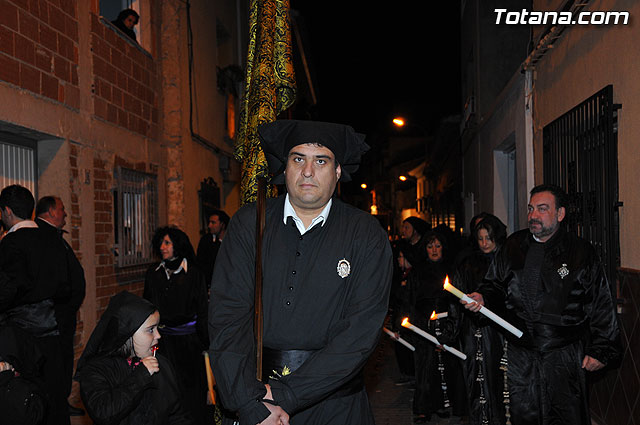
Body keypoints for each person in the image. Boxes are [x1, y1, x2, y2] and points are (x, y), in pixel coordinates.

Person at [209, 119, 393, 425]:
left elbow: (361, 332)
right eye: (298, 159)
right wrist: (248, 402)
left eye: (321, 160)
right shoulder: (249, 224)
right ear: (285, 168)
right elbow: (227, 317)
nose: (308, 171)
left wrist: (286, 393)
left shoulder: (366, 234)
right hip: (256, 400)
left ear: (337, 172)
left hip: (336, 404)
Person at [464, 184, 621, 425]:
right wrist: (483, 298)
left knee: (566, 416)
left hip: (563, 353)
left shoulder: (580, 252)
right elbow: (493, 284)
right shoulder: (513, 246)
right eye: (530, 209)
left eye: (542, 209)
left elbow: (600, 302)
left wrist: (601, 348)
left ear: (560, 214)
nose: (533, 215)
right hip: (520, 351)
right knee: (524, 414)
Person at [0, 184, 71, 425]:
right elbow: (66, 284)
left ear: (7, 211)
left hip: (24, 339)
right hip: (54, 332)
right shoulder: (53, 238)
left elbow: (7, 290)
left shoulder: (11, 243)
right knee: (55, 397)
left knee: (27, 400)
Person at [76, 290, 193, 425]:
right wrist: (141, 375)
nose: (158, 336)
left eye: (157, 328)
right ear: (128, 333)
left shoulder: (162, 364)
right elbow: (103, 413)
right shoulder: (96, 370)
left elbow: (177, 415)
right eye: (151, 330)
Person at [144, 226, 209, 425]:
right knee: (165, 387)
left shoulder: (194, 274)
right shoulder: (154, 274)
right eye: (161, 243)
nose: (162, 247)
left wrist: (206, 343)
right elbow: (146, 307)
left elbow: (202, 310)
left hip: (189, 343)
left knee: (190, 389)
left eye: (167, 243)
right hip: (163, 342)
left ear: (177, 245)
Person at [450, 214, 507, 425]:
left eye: (488, 238)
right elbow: (458, 296)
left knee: (499, 378)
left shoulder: (506, 261)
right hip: (473, 328)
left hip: (499, 330)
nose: (484, 243)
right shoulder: (468, 263)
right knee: (477, 376)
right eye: (480, 238)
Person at [35, 195, 87, 417]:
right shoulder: (44, 237)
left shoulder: (55, 237)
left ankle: (61, 401)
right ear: (51, 212)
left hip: (64, 316)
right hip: (56, 317)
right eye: (62, 209)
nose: (65, 213)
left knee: (65, 359)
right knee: (55, 363)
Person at [410, 230, 466, 423]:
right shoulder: (418, 271)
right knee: (425, 367)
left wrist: (450, 328)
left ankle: (444, 404)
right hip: (422, 324)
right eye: (429, 246)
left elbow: (457, 298)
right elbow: (410, 299)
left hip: (446, 323)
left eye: (437, 246)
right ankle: (424, 408)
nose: (434, 250)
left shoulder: (452, 269)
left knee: (446, 366)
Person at [196, 210, 230, 288]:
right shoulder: (206, 241)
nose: (209, 226)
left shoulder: (231, 241)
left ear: (222, 225)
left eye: (213, 223)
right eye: (209, 222)